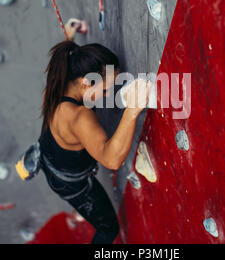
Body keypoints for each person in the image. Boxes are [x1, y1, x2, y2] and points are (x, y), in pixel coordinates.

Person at [38, 21, 151, 244]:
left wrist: (68, 39)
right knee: (108, 229)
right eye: (106, 88)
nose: (108, 93)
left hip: (49, 154)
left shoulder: (58, 79)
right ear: (85, 82)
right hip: (68, 181)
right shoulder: (79, 117)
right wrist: (132, 110)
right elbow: (111, 159)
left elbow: (61, 59)